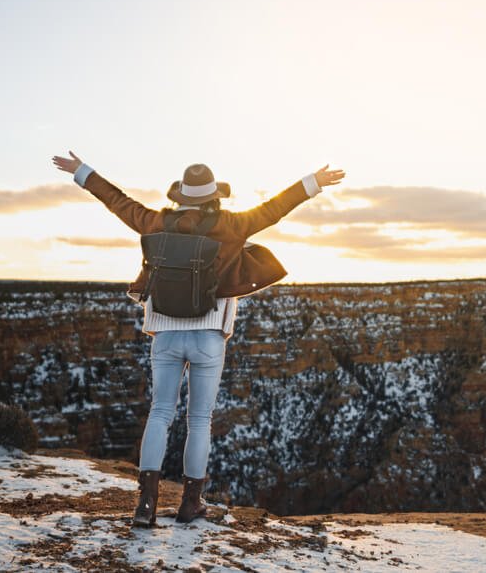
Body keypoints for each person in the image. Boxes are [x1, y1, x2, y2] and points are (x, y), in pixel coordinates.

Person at [51, 150, 344, 526]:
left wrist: (83, 172)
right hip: (209, 335)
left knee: (160, 414)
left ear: (180, 196)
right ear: (214, 196)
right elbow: (275, 208)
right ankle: (191, 504)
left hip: (166, 334)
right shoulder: (232, 224)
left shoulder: (156, 222)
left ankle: (145, 505)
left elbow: (118, 202)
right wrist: (313, 183)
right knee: (199, 420)